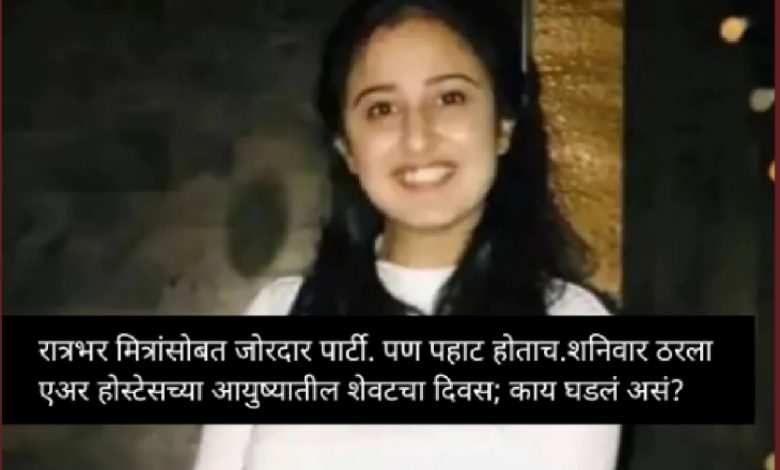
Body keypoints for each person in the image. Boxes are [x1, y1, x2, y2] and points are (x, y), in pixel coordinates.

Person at [194, 0, 622, 468]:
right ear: (347, 149)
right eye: (382, 109)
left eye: (450, 98)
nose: (417, 138)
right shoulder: (277, 316)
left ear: (502, 125)